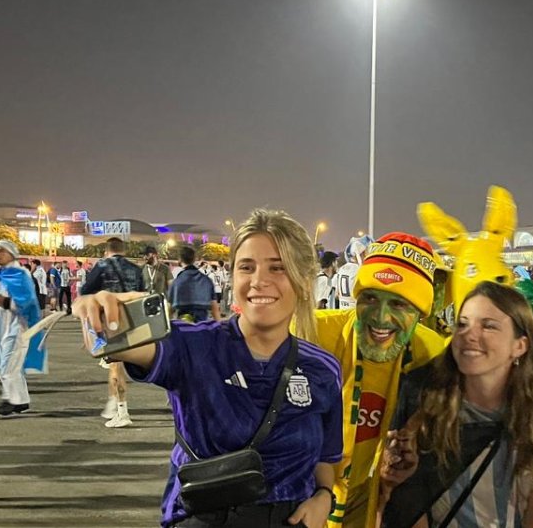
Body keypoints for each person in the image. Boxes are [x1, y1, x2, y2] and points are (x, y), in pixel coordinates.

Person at [73, 209, 343, 527]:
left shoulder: (322, 369)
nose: (259, 281)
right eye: (247, 267)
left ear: (304, 280)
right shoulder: (194, 346)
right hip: (206, 517)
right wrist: (100, 316)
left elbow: (326, 456)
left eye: (278, 267)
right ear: (233, 277)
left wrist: (324, 496)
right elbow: (128, 345)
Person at [378, 281, 533, 528]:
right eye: (463, 324)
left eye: (488, 326)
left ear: (519, 345)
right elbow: (407, 501)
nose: (469, 335)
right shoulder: (422, 397)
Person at [313, 232, 448, 527]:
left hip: (376, 504)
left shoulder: (434, 352)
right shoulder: (314, 334)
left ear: (420, 313)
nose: (381, 317)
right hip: (306, 500)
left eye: (400, 304)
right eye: (370, 298)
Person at [80, 238, 145, 428]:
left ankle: (122, 411)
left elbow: (86, 289)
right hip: (133, 320)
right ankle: (113, 404)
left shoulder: (102, 265)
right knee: (118, 367)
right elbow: (141, 293)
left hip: (111, 321)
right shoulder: (136, 268)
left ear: (107, 251)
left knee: (116, 367)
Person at [0, 240, 44, 418]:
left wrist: (5, 302)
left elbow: (28, 302)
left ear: (12, 253)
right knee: (3, 361)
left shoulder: (21, 274)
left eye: (1, 250)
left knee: (8, 363)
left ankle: (9, 400)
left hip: (18, 323)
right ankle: (21, 400)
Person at [167, 245, 221, 323]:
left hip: (183, 327)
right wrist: (220, 327)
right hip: (202, 327)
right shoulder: (206, 280)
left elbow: (170, 309)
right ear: (194, 259)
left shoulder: (177, 282)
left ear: (180, 260)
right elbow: (214, 308)